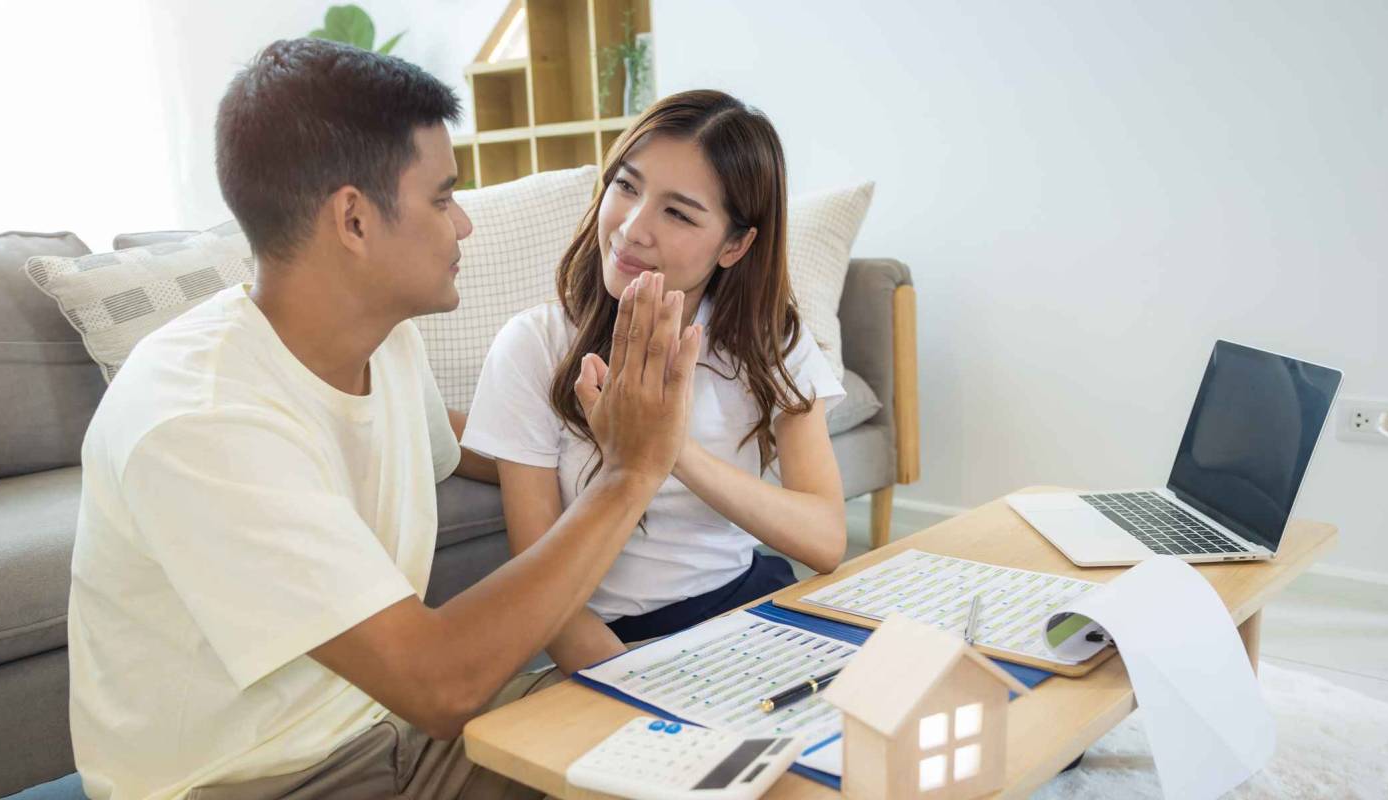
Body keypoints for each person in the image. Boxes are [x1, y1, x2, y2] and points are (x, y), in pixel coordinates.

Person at [66, 38, 700, 799]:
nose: (463, 225)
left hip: (396, 741)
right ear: (354, 220)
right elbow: (439, 684)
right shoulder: (198, 419)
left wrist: (599, 440)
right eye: (442, 197)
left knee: (697, 748)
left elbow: (457, 444)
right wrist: (628, 476)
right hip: (257, 781)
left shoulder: (385, 338)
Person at [463, 90, 849, 674]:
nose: (633, 229)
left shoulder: (771, 343)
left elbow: (825, 540)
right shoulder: (534, 346)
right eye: (626, 186)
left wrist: (666, 449)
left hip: (756, 604)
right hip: (619, 641)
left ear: (736, 244)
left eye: (678, 212)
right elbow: (545, 596)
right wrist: (633, 689)